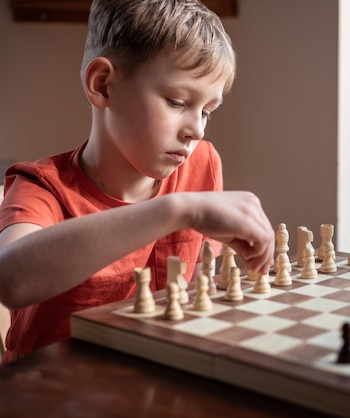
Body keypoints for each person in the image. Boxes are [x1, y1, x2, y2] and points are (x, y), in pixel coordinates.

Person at [0, 0, 275, 364]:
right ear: (103, 86)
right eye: (177, 102)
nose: (197, 129)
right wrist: (177, 210)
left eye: (207, 111)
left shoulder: (202, 163)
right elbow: (12, 280)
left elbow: (199, 292)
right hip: (52, 395)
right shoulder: (40, 187)